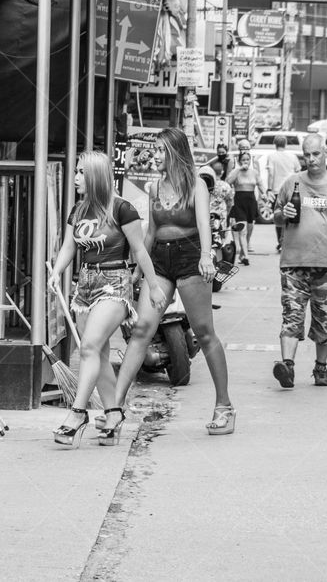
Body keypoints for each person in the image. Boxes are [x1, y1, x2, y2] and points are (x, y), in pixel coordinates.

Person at [110, 127, 235, 435]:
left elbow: (205, 223)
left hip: (190, 257)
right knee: (142, 330)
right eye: (154, 150)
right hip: (160, 262)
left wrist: (207, 256)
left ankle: (224, 405)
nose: (154, 156)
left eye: (160, 150)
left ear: (175, 153)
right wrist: (141, 267)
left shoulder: (196, 186)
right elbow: (151, 231)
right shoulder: (154, 188)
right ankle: (114, 408)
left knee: (205, 334)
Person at [47, 152, 166, 448]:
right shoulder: (78, 210)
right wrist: (57, 272)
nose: (75, 177)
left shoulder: (122, 209)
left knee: (87, 347)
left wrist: (153, 286)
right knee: (97, 354)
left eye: (80, 172)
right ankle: (113, 415)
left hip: (114, 284)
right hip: (84, 286)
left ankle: (78, 413)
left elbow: (139, 251)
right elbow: (68, 247)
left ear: (95, 177)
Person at [272, 133, 327, 388]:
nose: (311, 159)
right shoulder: (292, 183)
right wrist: (283, 214)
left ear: (325, 153)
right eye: (306, 155)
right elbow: (275, 215)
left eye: (316, 154)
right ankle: (287, 367)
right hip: (293, 264)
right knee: (291, 316)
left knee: (326, 319)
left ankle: (321, 368)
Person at [226, 151, 265, 265]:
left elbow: (260, 184)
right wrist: (238, 169)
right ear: (239, 161)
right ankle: (246, 257)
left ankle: (243, 254)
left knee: (249, 229)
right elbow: (228, 181)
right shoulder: (236, 172)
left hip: (251, 202)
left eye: (247, 160)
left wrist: (265, 194)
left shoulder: (254, 172)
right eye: (243, 160)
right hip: (239, 202)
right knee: (242, 230)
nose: (246, 162)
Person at [266, 135, 300, 253]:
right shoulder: (292, 156)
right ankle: (286, 240)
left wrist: (269, 189)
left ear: (275, 144)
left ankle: (280, 241)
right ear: (285, 144)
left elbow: (271, 173)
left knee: (279, 215)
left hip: (277, 190)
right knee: (291, 215)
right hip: (291, 190)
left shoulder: (272, 157)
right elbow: (298, 170)